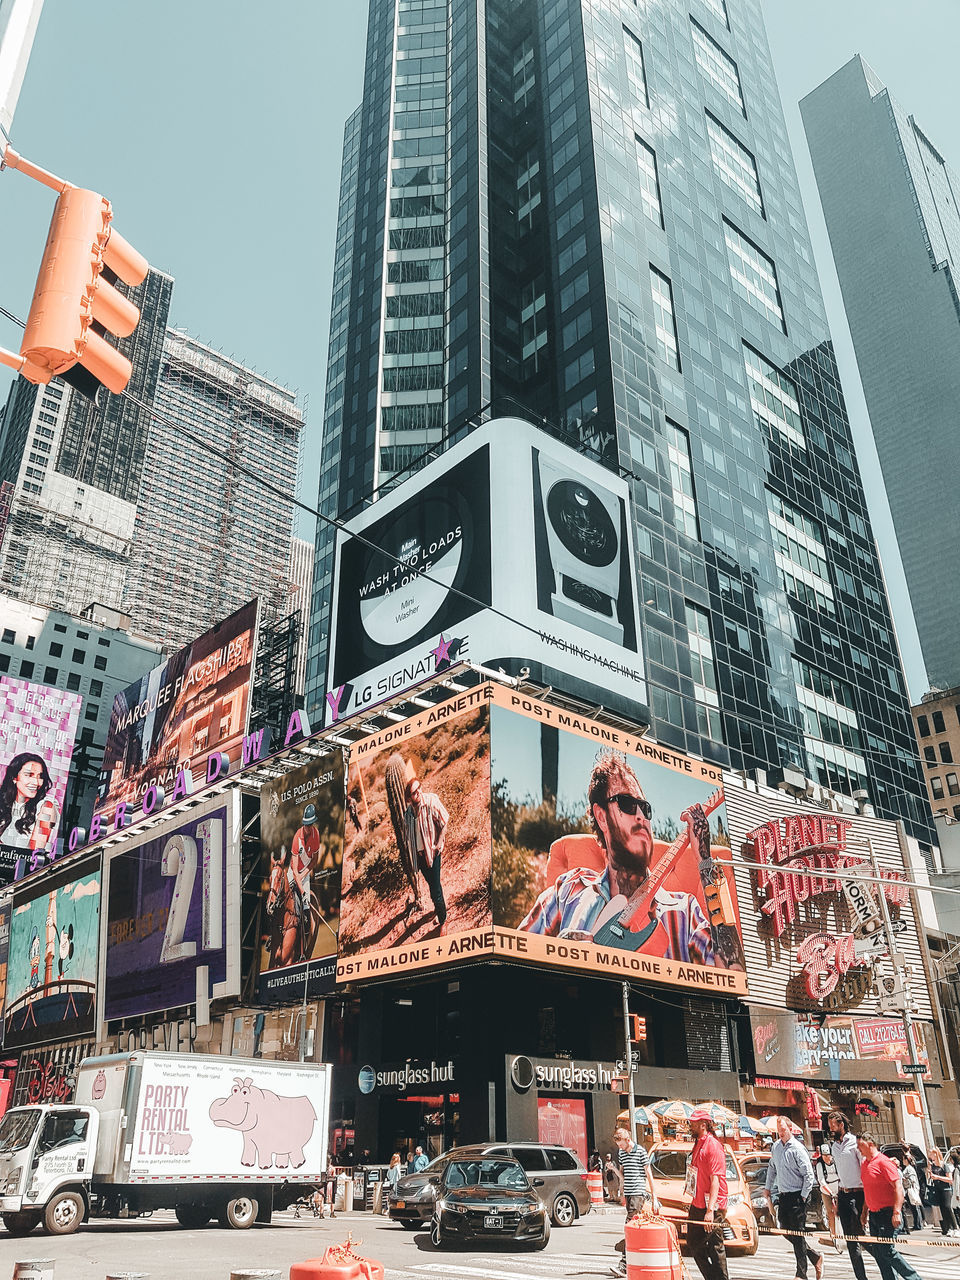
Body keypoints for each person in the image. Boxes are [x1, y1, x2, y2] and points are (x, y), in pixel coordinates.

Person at [520, 753, 715, 963]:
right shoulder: (567, 890)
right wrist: (558, 955)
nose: (640, 815)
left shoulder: (684, 909)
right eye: (627, 803)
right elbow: (513, 960)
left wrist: (704, 860)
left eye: (645, 808)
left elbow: (732, 975)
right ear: (601, 817)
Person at [858, 1132, 924, 1280]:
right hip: (874, 1214)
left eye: (860, 1146)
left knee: (886, 1250)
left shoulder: (884, 1162)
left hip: (887, 1214)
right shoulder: (865, 1164)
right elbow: (868, 1190)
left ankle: (914, 1278)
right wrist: (864, 1212)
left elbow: (898, 1188)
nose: (858, 1149)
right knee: (879, 1253)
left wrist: (896, 1211)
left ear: (870, 1145)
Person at [764, 1117, 823, 1280]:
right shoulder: (776, 1147)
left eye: (783, 1129)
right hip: (784, 1196)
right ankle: (814, 1256)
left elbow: (809, 1175)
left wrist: (803, 1196)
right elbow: (772, 1169)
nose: (781, 1133)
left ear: (790, 1128)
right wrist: (767, 1188)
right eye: (779, 1130)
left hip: (798, 1195)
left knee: (797, 1234)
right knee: (785, 1230)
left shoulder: (797, 1149)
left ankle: (801, 1274)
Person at [826, 1110, 869, 1280]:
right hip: (843, 1195)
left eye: (833, 1126)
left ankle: (887, 1265)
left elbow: (865, 1172)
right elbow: (840, 1174)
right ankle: (861, 1277)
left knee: (862, 1237)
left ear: (841, 1125)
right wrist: (837, 1198)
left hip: (857, 1194)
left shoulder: (854, 1143)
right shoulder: (834, 1147)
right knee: (851, 1242)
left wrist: (866, 1203)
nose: (830, 1129)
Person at [686, 1107, 729, 1280]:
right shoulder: (698, 1143)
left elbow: (715, 1181)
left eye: (693, 1124)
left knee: (715, 1247)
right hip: (698, 1203)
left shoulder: (713, 1146)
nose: (691, 1126)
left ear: (703, 1125)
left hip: (713, 1205)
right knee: (693, 1243)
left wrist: (710, 1211)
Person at [610, 1126, 657, 1277]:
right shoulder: (622, 1154)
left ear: (628, 1140)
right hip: (629, 1194)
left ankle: (624, 1265)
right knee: (634, 1229)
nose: (620, 1148)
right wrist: (614, 1170)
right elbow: (624, 1176)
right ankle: (639, 1260)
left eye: (622, 1145)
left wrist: (655, 1197)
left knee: (629, 1226)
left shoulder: (641, 1152)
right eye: (618, 1146)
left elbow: (649, 1174)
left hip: (638, 1193)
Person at [404, 778, 449, 929]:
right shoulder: (408, 814)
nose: (419, 793)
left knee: (435, 888)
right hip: (420, 857)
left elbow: (444, 821)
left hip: (433, 853)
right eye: (414, 792)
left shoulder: (430, 801)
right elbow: (408, 837)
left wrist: (438, 844)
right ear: (409, 798)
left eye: (419, 789)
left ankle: (443, 920)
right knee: (432, 885)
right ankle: (438, 909)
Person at [0, 752, 57, 850]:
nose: (36, 782)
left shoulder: (46, 807)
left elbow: (34, 852)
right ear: (14, 778)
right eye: (29, 775)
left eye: (40, 777)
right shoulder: (3, 800)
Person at [926, 1147, 959, 1235]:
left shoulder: (944, 1165)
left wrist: (938, 1177)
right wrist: (929, 1170)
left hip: (946, 1189)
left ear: (936, 1154)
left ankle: (955, 1227)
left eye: (931, 1153)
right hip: (937, 1189)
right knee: (942, 1209)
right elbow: (929, 1178)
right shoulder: (932, 1166)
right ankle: (948, 1228)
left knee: (948, 1207)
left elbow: (950, 1179)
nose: (929, 1155)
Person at [900, 1152, 924, 1233]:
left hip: (911, 1189)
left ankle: (918, 1224)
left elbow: (912, 1180)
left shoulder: (909, 1169)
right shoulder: (908, 1168)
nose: (902, 1161)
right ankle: (917, 1224)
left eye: (903, 1159)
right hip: (910, 1189)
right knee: (914, 1208)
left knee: (915, 1207)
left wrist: (905, 1179)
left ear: (906, 1160)